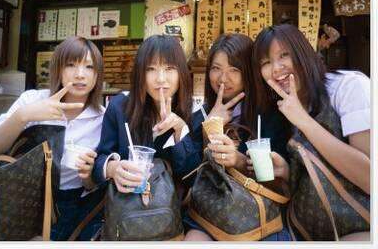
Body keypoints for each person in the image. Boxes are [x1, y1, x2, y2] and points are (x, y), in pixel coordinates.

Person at [251, 24, 370, 241]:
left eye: (284, 55)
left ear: (303, 53)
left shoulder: (348, 86)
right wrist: (287, 172)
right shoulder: (283, 106)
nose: (276, 68)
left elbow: (371, 179)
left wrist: (304, 121)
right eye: (266, 62)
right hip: (306, 231)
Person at [0, 36, 106, 240]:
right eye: (71, 65)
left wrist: (88, 178)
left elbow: (93, 185)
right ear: (58, 68)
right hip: (20, 196)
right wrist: (22, 117)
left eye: (89, 67)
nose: (80, 74)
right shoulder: (33, 99)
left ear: (97, 75)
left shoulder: (103, 118)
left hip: (71, 203)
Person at [184, 33, 292, 241]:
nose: (223, 79)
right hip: (209, 216)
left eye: (234, 69)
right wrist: (209, 128)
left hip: (258, 216)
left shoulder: (271, 115)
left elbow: (279, 180)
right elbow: (186, 174)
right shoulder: (200, 116)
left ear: (249, 72)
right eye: (216, 68)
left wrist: (239, 160)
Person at [92, 35, 201, 193]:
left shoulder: (193, 111)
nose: (161, 79)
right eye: (151, 69)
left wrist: (180, 129)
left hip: (174, 213)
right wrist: (113, 168)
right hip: (126, 210)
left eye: (169, 68)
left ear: (182, 73)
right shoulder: (120, 107)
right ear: (140, 73)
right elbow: (99, 163)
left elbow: (194, 178)